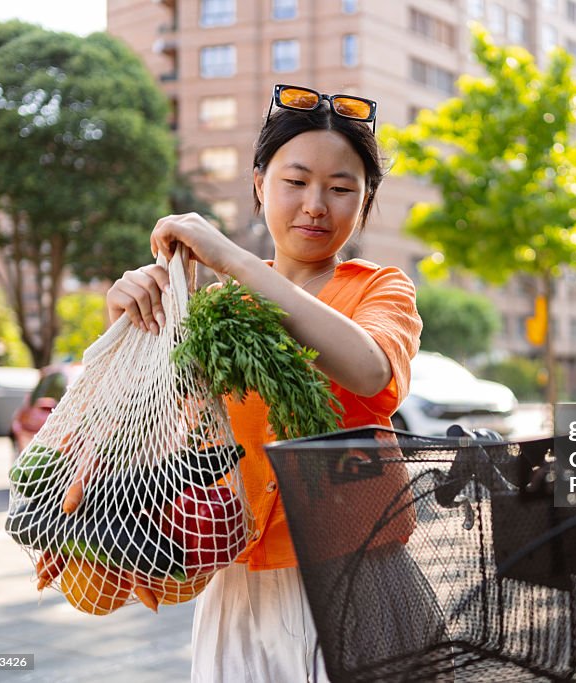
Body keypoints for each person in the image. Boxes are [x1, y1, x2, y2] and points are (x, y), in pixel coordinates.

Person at [105, 85, 429, 682]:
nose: (316, 205)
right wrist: (132, 315)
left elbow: (370, 370)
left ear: (364, 203)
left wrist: (234, 260)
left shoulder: (380, 289)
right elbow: (158, 418)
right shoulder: (217, 311)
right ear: (259, 184)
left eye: (340, 189)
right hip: (236, 578)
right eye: (296, 181)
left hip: (355, 569)